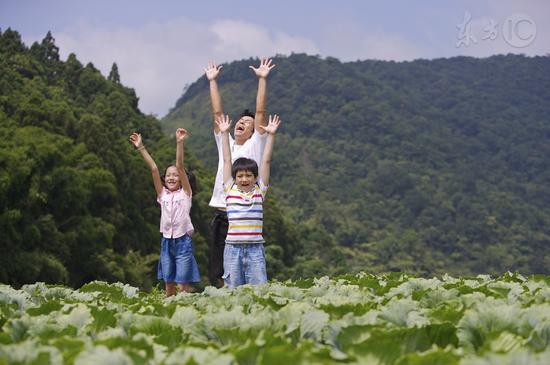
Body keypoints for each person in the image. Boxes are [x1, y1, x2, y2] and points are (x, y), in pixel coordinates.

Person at [204, 58, 276, 286]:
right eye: (240, 120)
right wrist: (213, 81)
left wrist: (262, 79)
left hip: (245, 216)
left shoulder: (255, 145)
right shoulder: (226, 143)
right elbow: (218, 113)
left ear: (255, 132)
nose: (242, 123)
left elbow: (261, 112)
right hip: (223, 214)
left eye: (248, 122)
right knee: (222, 273)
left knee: (251, 274)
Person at [129, 128, 200, 296]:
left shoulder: (186, 194)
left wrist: (179, 142)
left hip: (183, 241)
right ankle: (168, 307)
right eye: (168, 175)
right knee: (168, 280)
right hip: (167, 241)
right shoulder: (162, 195)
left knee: (182, 281)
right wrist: (141, 147)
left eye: (175, 175)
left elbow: (180, 167)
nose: (171, 177)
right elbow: (154, 168)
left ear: (182, 179)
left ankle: (183, 307)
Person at [216, 113, 281, 288]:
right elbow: (227, 160)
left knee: (259, 289)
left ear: (255, 177)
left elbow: (266, 161)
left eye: (248, 175)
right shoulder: (230, 189)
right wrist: (224, 134)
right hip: (232, 249)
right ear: (234, 178)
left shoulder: (259, 191)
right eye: (240, 176)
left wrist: (271, 135)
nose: (244, 179)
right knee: (233, 289)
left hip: (255, 249)